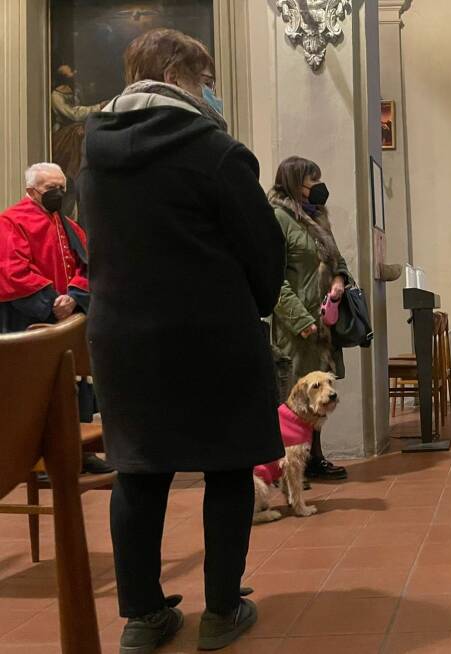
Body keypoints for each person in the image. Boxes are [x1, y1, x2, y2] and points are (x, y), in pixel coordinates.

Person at [78, 28, 285, 652]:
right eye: (206, 80)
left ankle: (143, 618)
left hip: (122, 338)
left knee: (139, 472)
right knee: (226, 465)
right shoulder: (216, 150)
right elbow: (261, 249)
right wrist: (251, 303)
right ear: (179, 76)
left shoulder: (92, 152)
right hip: (211, 332)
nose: (211, 92)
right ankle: (221, 611)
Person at [0, 162, 113, 475]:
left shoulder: (69, 225)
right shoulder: (11, 222)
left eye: (62, 188)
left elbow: (88, 265)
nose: (59, 194)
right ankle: (36, 460)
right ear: (31, 191)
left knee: (76, 386)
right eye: (51, 189)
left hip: (67, 321)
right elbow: (12, 271)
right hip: (30, 320)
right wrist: (51, 303)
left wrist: (74, 299)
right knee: (36, 392)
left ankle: (79, 452)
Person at [268, 156, 352, 481]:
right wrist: (301, 320)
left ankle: (315, 458)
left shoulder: (319, 218)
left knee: (320, 397)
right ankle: (290, 467)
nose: (318, 187)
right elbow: (273, 278)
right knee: (295, 399)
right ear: (294, 183)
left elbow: (337, 259)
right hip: (295, 327)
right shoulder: (277, 217)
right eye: (311, 181)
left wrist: (339, 280)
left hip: (323, 323)